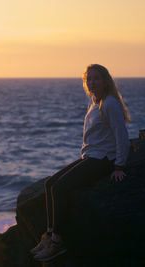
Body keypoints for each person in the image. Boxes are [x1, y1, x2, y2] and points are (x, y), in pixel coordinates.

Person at [31, 64, 131, 262]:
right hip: (91, 156)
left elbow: (122, 136)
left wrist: (119, 166)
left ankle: (58, 241)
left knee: (60, 187)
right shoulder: (95, 102)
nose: (92, 82)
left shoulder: (109, 103)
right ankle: (49, 234)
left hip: (104, 159)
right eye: (89, 79)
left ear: (105, 81)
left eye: (96, 78)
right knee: (49, 184)